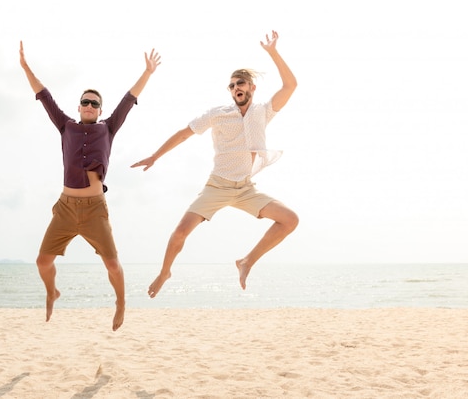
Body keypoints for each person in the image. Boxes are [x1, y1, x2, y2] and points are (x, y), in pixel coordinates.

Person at [131, 31, 298, 298]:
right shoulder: (218, 114)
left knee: (290, 220)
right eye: (231, 86)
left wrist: (273, 53)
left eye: (240, 83)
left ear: (252, 87)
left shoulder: (262, 112)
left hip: (245, 189)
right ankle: (165, 272)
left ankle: (247, 261)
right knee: (179, 233)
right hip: (217, 185)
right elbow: (185, 133)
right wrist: (155, 156)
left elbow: (290, 86)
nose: (235, 89)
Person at [20, 41, 161, 330]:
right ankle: (52, 291)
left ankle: (121, 302)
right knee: (42, 262)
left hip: (95, 209)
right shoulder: (66, 126)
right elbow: (43, 95)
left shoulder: (108, 128)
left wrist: (147, 72)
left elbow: (128, 99)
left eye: (94, 103)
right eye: (84, 101)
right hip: (66, 208)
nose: (88, 106)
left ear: (99, 110)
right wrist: (25, 67)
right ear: (79, 106)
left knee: (112, 264)